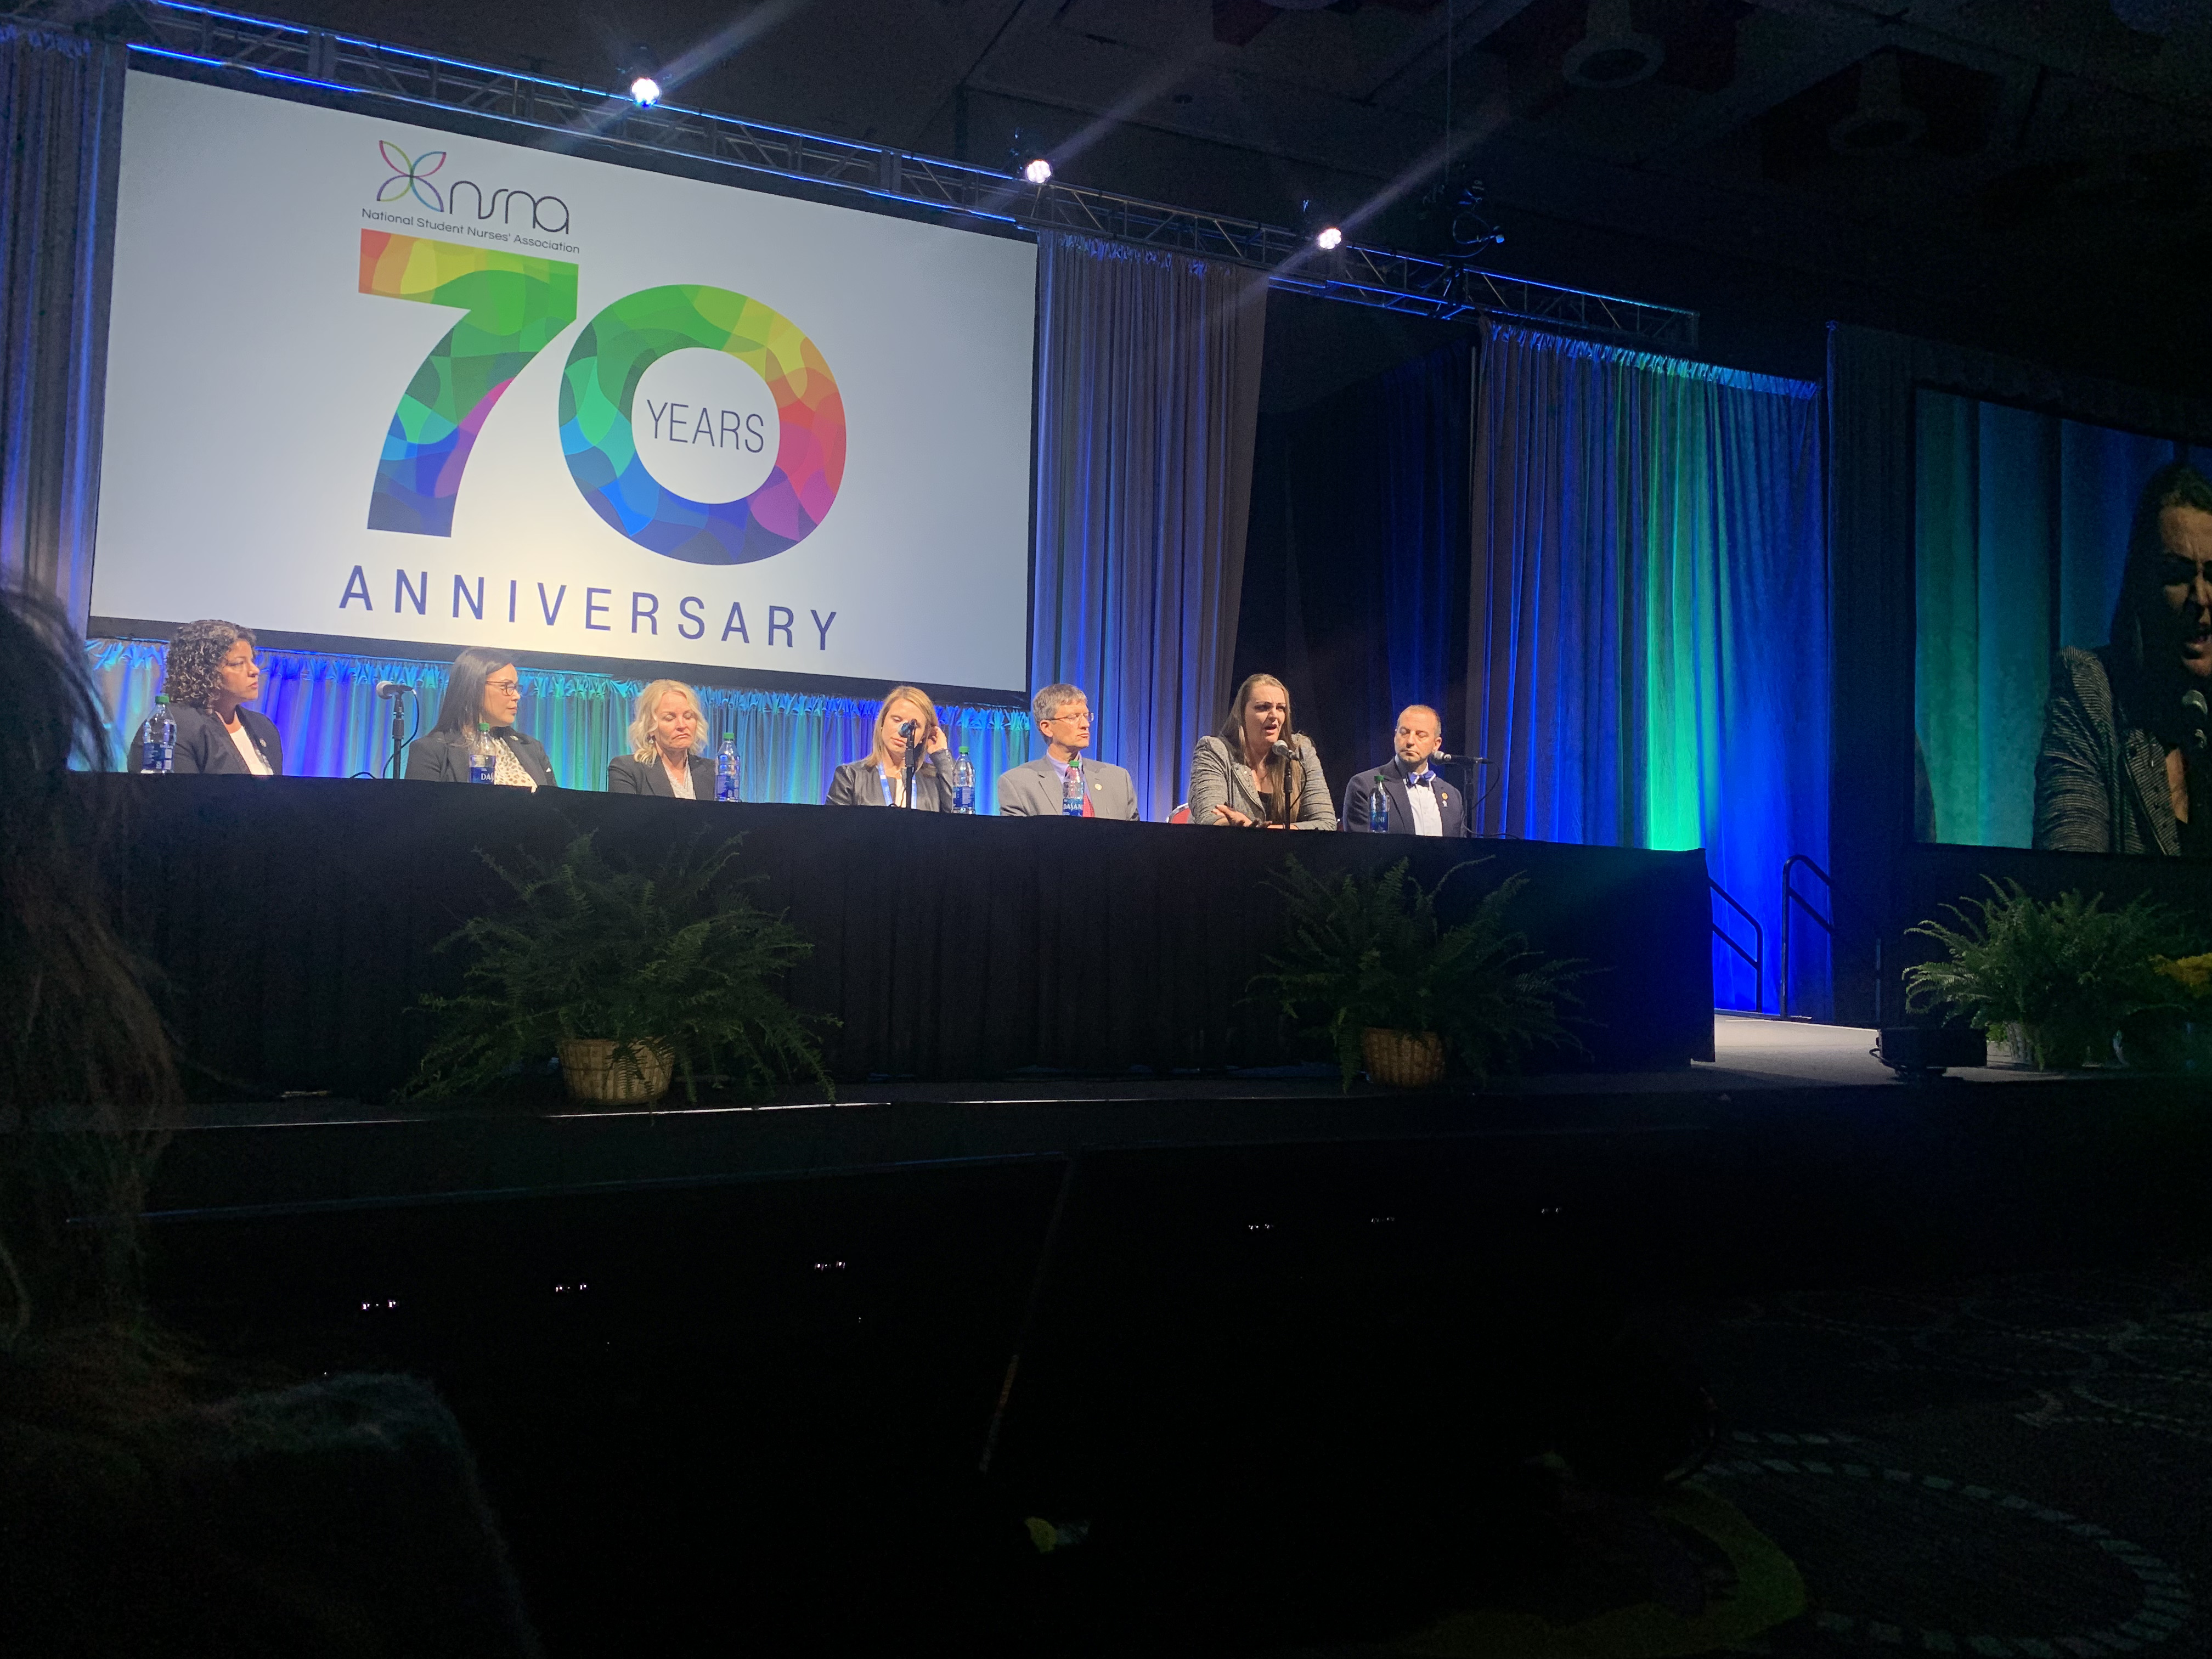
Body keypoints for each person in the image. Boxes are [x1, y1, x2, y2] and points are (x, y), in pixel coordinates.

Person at [2035, 462, 2212, 856]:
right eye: (2177, 575)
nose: (2200, 598)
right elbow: (2071, 887)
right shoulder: (2092, 690)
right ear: (2143, 586)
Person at [1187, 673, 1334, 829]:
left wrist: (1261, 831)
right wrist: (1234, 825)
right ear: (1240, 713)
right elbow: (1210, 817)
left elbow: (1326, 823)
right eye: (1263, 707)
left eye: (1281, 708)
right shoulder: (1214, 750)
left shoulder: (1299, 751)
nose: (1274, 716)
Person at [404, 649, 556, 787]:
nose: (516, 696)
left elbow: (555, 808)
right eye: (507, 687)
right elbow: (423, 814)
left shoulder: (532, 749)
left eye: (516, 688)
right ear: (473, 688)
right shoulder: (432, 751)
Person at [997, 683, 1139, 819]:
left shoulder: (1118, 779)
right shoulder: (1017, 784)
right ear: (1047, 728)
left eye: (1086, 716)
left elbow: (1135, 838)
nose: (1085, 725)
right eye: (1073, 718)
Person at [162, 619, 283, 776]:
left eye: (252, 661)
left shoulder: (264, 727)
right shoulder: (173, 727)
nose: (255, 670)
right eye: (238, 663)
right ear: (203, 671)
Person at [825, 685, 958, 809]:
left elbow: (962, 820)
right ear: (882, 721)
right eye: (897, 720)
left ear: (924, 735)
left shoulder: (935, 781)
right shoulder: (851, 776)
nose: (903, 731)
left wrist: (941, 755)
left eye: (914, 726)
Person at [1342, 704, 1465, 837]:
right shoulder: (1365, 786)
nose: (1410, 741)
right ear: (1395, 736)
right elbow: (1362, 849)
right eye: (1404, 733)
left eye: (1421, 735)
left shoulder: (1453, 796)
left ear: (1436, 744)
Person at [608, 679, 716, 798]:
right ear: (650, 727)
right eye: (670, 718)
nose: (682, 725)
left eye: (688, 716)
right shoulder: (627, 770)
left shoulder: (714, 771)